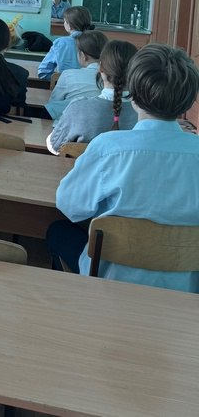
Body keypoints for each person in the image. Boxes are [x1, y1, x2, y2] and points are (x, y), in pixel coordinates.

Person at [47, 43, 199, 291]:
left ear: (133, 94)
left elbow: (69, 205)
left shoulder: (108, 148)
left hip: (111, 280)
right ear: (188, 103)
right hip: (186, 290)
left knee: (58, 230)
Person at [46, 39, 138, 154]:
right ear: (135, 73)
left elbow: (54, 146)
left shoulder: (79, 107)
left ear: (100, 68)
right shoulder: (144, 114)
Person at [45, 30, 108, 119]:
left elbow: (53, 105)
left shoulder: (68, 75)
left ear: (83, 56)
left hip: (70, 123)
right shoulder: (113, 78)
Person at [37, 5, 94, 80]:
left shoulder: (61, 43)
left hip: (65, 85)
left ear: (69, 26)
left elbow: (43, 72)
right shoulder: (97, 41)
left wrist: (60, 78)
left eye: (64, 21)